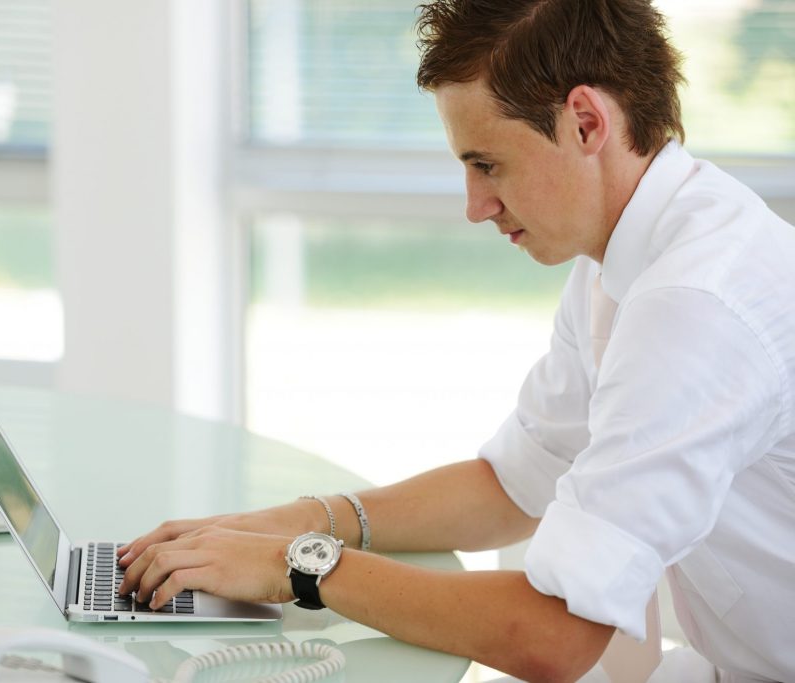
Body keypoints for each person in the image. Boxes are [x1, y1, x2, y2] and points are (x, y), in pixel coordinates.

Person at [117, 1, 795, 680]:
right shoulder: (629, 255)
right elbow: (513, 484)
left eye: (488, 164)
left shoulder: (694, 307)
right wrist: (292, 522)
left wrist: (296, 565)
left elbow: (556, 635)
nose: (475, 205)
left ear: (586, 122)